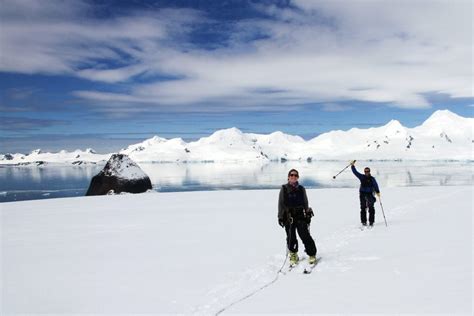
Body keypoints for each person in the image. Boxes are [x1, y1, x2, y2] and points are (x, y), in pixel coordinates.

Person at [278, 169, 317, 265]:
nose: (293, 176)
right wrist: (280, 217)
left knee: (304, 235)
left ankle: (312, 254)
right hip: (288, 216)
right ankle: (293, 254)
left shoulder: (301, 189)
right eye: (291, 175)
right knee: (291, 237)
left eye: (295, 175)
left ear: (297, 177)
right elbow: (281, 203)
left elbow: (305, 202)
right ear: (288, 177)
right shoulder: (284, 188)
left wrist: (307, 212)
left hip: (300, 215)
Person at [350, 160, 380, 227]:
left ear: (369, 172)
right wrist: (352, 166)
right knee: (363, 208)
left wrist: (378, 192)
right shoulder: (362, 177)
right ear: (364, 172)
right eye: (365, 171)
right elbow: (355, 172)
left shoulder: (372, 179)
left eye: (367, 171)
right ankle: (364, 222)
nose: (366, 172)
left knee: (371, 208)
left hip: (370, 194)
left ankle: (371, 222)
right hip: (362, 194)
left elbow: (376, 185)